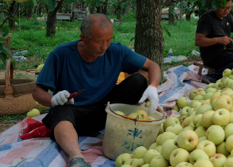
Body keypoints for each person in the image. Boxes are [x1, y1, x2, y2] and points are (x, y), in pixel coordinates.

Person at [33, 14, 161, 167]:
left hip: (105, 113)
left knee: (138, 81)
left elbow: (152, 65)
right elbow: (37, 91)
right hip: (72, 115)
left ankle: (127, 124)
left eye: (109, 40)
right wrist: (52, 100)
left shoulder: (116, 52)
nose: (104, 46)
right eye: (99, 41)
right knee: (60, 108)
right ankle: (76, 158)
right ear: (83, 37)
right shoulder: (61, 54)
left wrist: (153, 87)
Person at [196, 0, 233, 84]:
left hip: (228, 50)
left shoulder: (227, 16)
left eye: (229, 8)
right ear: (215, 6)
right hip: (213, 55)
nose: (226, 10)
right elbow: (198, 41)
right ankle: (213, 75)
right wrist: (217, 40)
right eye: (223, 7)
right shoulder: (207, 19)